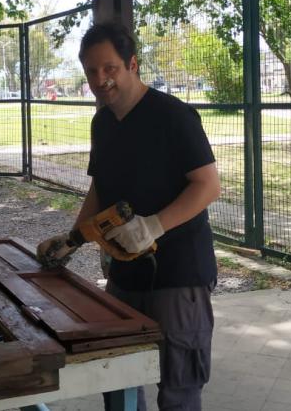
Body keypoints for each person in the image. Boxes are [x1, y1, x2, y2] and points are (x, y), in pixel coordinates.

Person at [37, 21, 220, 411]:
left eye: (110, 68)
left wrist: (154, 225)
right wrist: (72, 239)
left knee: (179, 388)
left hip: (180, 276)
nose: (100, 79)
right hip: (124, 273)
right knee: (118, 378)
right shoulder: (102, 123)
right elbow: (100, 189)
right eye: (91, 71)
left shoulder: (173, 116)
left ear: (132, 64)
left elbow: (207, 185)